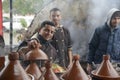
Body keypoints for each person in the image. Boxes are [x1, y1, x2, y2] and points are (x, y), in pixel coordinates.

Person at [86, 8, 120, 74]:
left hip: (116, 65)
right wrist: (89, 63)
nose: (117, 21)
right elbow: (92, 47)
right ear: (109, 18)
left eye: (118, 18)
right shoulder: (99, 30)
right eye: (114, 19)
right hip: (100, 64)